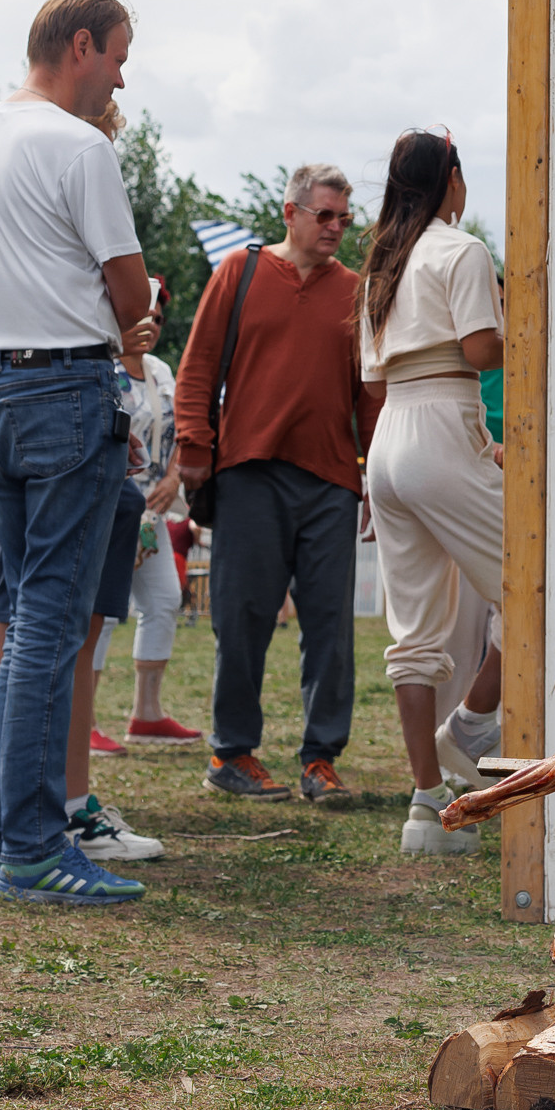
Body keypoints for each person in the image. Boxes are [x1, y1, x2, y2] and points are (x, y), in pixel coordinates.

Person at [0, 0, 152, 905]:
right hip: (66, 389)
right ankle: (34, 847)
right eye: (117, 55)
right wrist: (137, 308)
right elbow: (128, 290)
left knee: (16, 607)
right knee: (49, 621)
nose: (121, 73)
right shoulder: (82, 148)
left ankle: (1, 840)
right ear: (80, 47)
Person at [175, 163, 381, 803]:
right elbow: (198, 366)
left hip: (330, 480)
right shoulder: (239, 271)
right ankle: (231, 754)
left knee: (330, 630)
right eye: (325, 215)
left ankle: (321, 760)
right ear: (290, 213)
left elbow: (368, 396)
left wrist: (372, 472)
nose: (337, 228)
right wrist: (192, 447)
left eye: (345, 219)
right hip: (248, 474)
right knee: (240, 619)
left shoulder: (357, 290)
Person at [360, 129, 504, 856]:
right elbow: (481, 351)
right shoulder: (462, 248)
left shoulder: (383, 260)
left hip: (390, 439)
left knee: (412, 632)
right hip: (445, 423)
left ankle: (425, 805)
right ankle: (473, 730)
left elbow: (373, 380)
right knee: (534, 588)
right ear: (450, 177)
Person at [98, 276, 202, 745]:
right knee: (100, 611)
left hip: (155, 509)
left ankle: (146, 712)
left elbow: (182, 432)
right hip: (110, 508)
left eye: (158, 317)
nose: (152, 324)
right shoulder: (98, 365)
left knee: (162, 601)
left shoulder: (161, 371)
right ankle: (87, 722)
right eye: (143, 315)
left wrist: (174, 477)